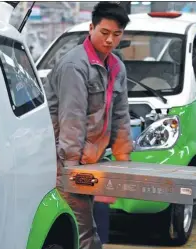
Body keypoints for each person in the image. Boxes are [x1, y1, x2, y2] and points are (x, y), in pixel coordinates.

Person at [44, 2, 132, 249]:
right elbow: (71, 120)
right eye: (104, 33)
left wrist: (124, 161)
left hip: (92, 160)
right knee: (83, 229)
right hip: (64, 161)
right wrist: (70, 170)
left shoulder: (116, 66)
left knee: (89, 226)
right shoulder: (75, 65)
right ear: (91, 27)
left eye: (116, 35)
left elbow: (120, 116)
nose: (109, 41)